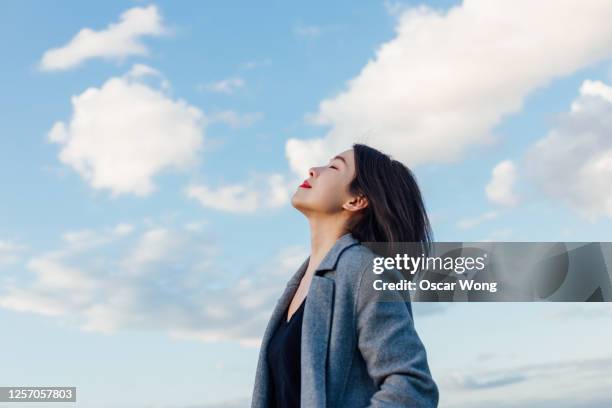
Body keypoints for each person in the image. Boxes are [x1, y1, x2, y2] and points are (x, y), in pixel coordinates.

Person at [251, 143, 440, 407]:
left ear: (356, 200)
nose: (313, 170)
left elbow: (412, 387)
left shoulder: (364, 270)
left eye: (333, 166)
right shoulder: (302, 281)